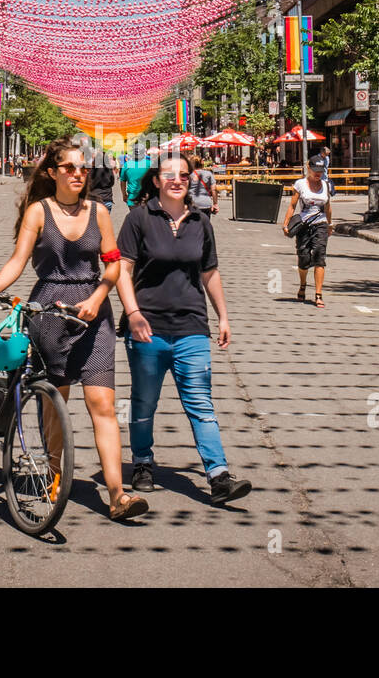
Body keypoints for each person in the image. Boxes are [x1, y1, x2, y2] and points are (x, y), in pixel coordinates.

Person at [0, 136, 148, 522]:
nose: (78, 174)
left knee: (102, 404)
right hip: (49, 311)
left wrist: (100, 294)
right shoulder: (39, 211)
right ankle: (52, 475)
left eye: (83, 168)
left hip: (93, 312)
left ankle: (117, 496)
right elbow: (18, 260)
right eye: (69, 168)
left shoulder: (99, 211)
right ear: (52, 173)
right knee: (56, 403)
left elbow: (113, 263)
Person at [116, 152, 251, 506]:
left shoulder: (200, 222)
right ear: (157, 181)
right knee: (144, 403)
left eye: (183, 174)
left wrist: (222, 315)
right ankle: (142, 462)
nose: (177, 179)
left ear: (190, 179)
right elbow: (123, 271)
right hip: (147, 328)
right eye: (169, 174)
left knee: (201, 403)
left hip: (191, 325)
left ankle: (218, 474)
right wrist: (132, 314)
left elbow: (209, 272)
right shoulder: (138, 219)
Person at [284, 155, 333, 307]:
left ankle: (318, 294)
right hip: (304, 224)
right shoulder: (300, 184)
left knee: (319, 256)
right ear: (308, 168)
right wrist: (286, 224)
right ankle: (303, 284)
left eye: (320, 171)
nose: (318, 174)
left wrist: (330, 224)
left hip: (321, 224)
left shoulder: (326, 185)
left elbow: (328, 207)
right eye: (315, 170)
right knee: (304, 257)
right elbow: (292, 205)